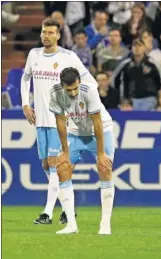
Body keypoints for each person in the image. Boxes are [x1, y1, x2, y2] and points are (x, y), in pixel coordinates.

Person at [20, 18, 98, 225]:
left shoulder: (68, 56)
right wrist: (25, 104)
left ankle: (47, 213)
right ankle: (68, 208)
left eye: (50, 33)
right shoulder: (34, 55)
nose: (46, 36)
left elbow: (90, 81)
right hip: (40, 121)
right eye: (44, 32)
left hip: (60, 121)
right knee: (47, 165)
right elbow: (25, 78)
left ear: (58, 35)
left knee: (55, 165)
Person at [49, 67, 115, 235]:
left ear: (79, 82)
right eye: (68, 89)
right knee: (62, 168)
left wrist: (100, 154)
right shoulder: (56, 92)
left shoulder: (89, 91)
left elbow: (97, 122)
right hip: (75, 133)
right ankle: (71, 224)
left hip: (100, 131)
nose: (72, 93)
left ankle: (105, 224)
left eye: (75, 88)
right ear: (62, 85)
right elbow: (60, 122)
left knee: (104, 168)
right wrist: (64, 151)